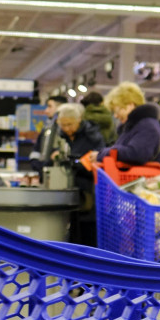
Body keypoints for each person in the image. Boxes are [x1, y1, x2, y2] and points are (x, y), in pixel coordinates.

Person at [54, 103, 105, 245]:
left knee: (86, 232)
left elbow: (99, 161)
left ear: (79, 120)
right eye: (63, 125)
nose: (66, 128)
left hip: (87, 193)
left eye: (70, 124)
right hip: (64, 192)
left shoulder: (93, 136)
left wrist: (75, 163)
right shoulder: (57, 136)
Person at [86, 82, 160, 165]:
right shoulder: (135, 126)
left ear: (130, 105)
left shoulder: (147, 126)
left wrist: (102, 154)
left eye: (117, 110)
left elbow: (136, 154)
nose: (115, 115)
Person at [30, 94, 68, 173]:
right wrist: (36, 163)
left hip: (59, 173)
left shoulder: (67, 129)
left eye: (50, 106)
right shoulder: (47, 128)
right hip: (45, 172)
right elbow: (37, 148)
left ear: (60, 108)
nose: (46, 111)